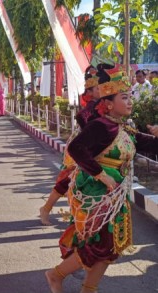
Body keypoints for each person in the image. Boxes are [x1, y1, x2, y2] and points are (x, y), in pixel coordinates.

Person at [45, 64, 158, 293]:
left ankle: (88, 289)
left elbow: (147, 144)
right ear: (108, 104)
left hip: (115, 197)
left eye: (129, 97)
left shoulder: (123, 127)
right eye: (124, 97)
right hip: (97, 195)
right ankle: (55, 275)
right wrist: (102, 174)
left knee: (111, 246)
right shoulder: (101, 126)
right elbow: (77, 149)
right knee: (98, 245)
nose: (130, 102)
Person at [39, 68, 101, 226]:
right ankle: (46, 208)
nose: (102, 90)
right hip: (84, 147)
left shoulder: (104, 104)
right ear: (91, 92)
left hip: (99, 148)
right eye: (98, 88)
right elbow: (83, 119)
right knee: (69, 179)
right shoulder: (93, 107)